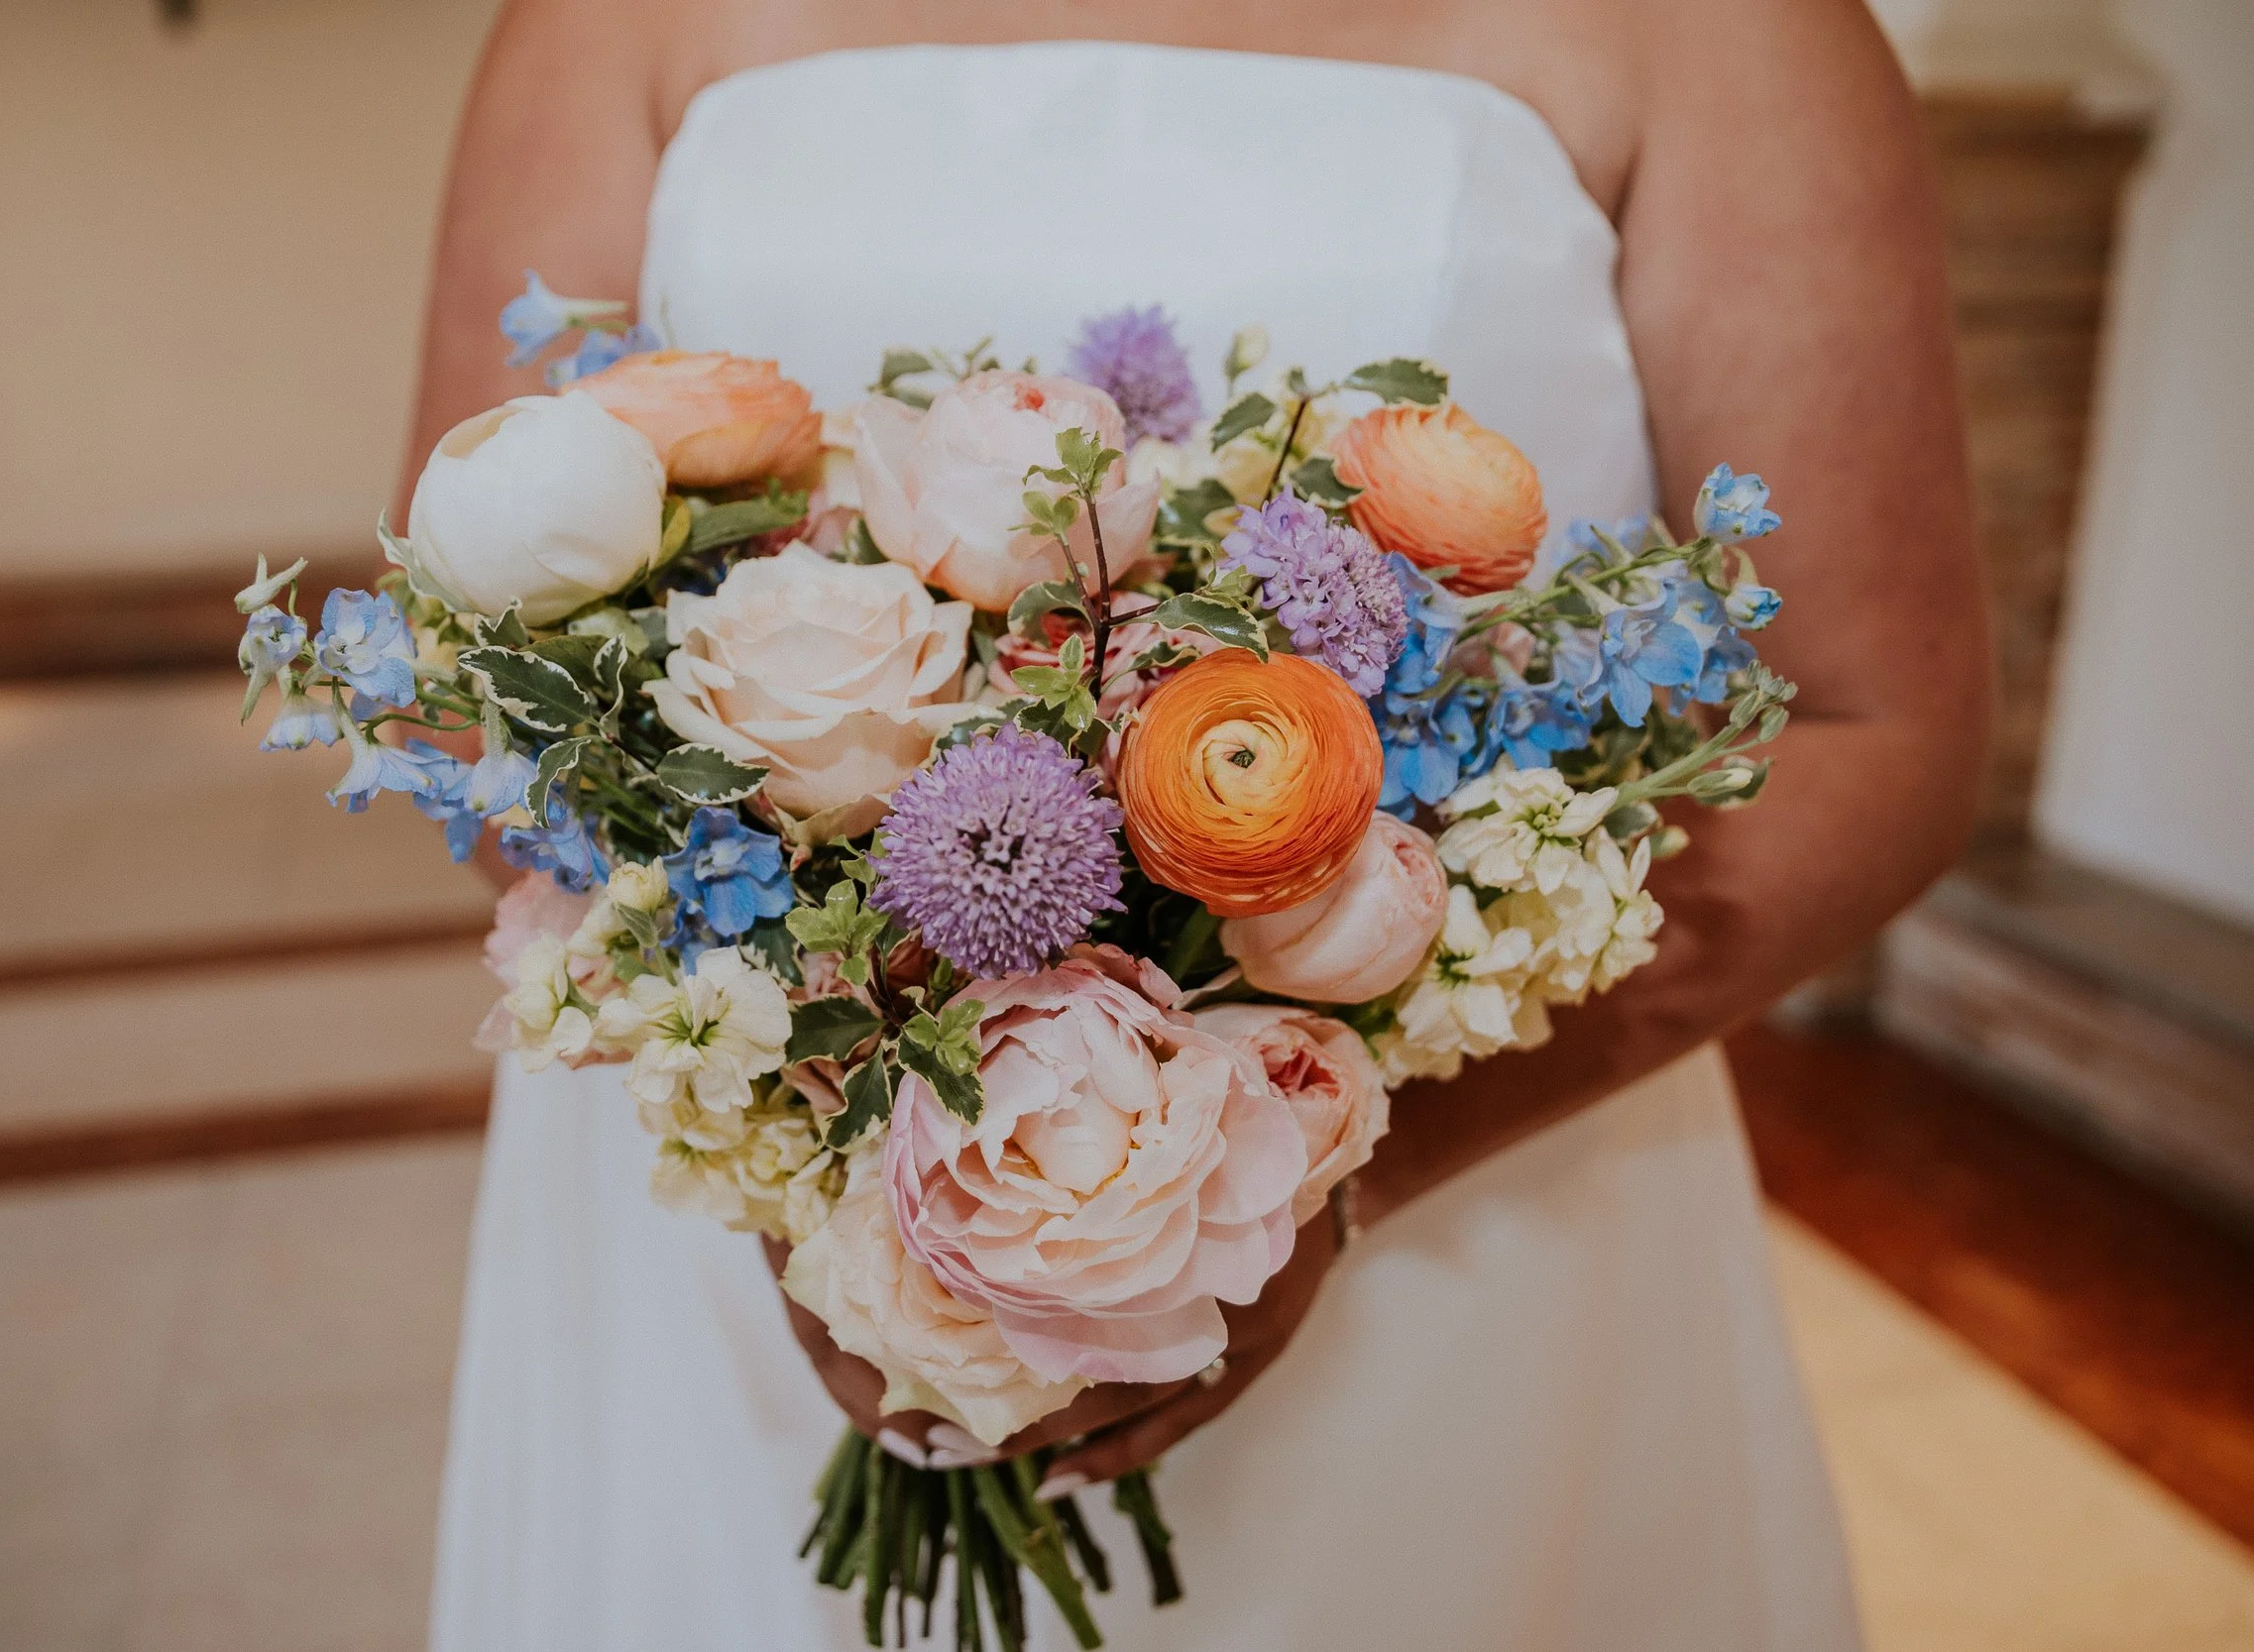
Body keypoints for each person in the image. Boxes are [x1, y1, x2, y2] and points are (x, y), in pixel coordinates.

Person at [405, 3, 1987, 1647]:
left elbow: (1882, 724)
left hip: (1466, 1220)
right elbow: (461, 648)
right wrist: (825, 1148)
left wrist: (1287, 1184)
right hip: (739, 1244)